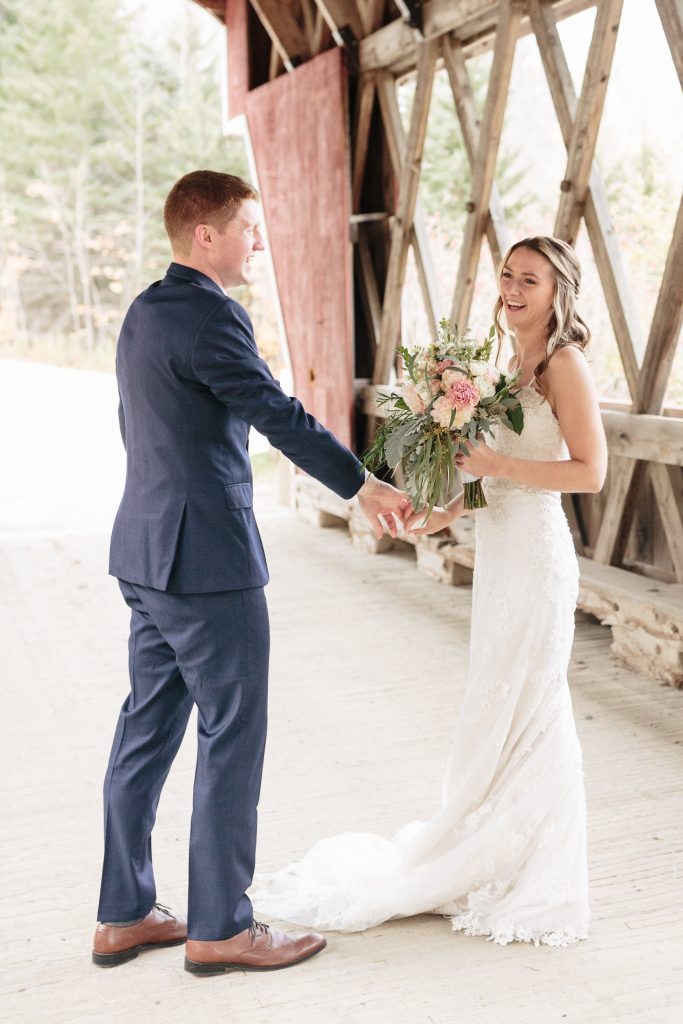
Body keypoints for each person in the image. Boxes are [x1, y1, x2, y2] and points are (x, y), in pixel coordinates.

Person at [92, 170, 411, 975]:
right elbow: (278, 414)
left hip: (144, 553)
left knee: (143, 735)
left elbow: (137, 424)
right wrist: (361, 484)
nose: (257, 241)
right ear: (207, 235)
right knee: (232, 737)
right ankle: (221, 928)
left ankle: (124, 914)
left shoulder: (143, 312)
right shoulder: (212, 319)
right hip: (207, 564)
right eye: (247, 227)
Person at [251, 236, 608, 947]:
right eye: (505, 275)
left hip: (536, 559)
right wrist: (441, 511)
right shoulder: (509, 366)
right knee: (496, 701)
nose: (510, 288)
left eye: (527, 280)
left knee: (531, 704)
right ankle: (491, 846)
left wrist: (493, 459)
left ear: (557, 291)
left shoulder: (563, 365)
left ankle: (537, 872)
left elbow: (588, 473)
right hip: (499, 557)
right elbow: (494, 477)